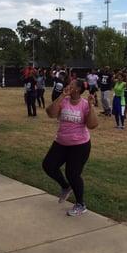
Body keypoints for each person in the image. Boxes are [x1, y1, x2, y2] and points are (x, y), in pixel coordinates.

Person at [42, 79, 98, 216]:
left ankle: (80, 204)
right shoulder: (64, 100)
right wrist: (61, 96)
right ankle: (65, 187)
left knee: (72, 173)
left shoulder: (85, 104)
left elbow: (92, 125)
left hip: (80, 145)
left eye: (72, 85)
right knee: (48, 165)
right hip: (61, 142)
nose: (69, 86)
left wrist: (91, 106)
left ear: (78, 89)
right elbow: (51, 113)